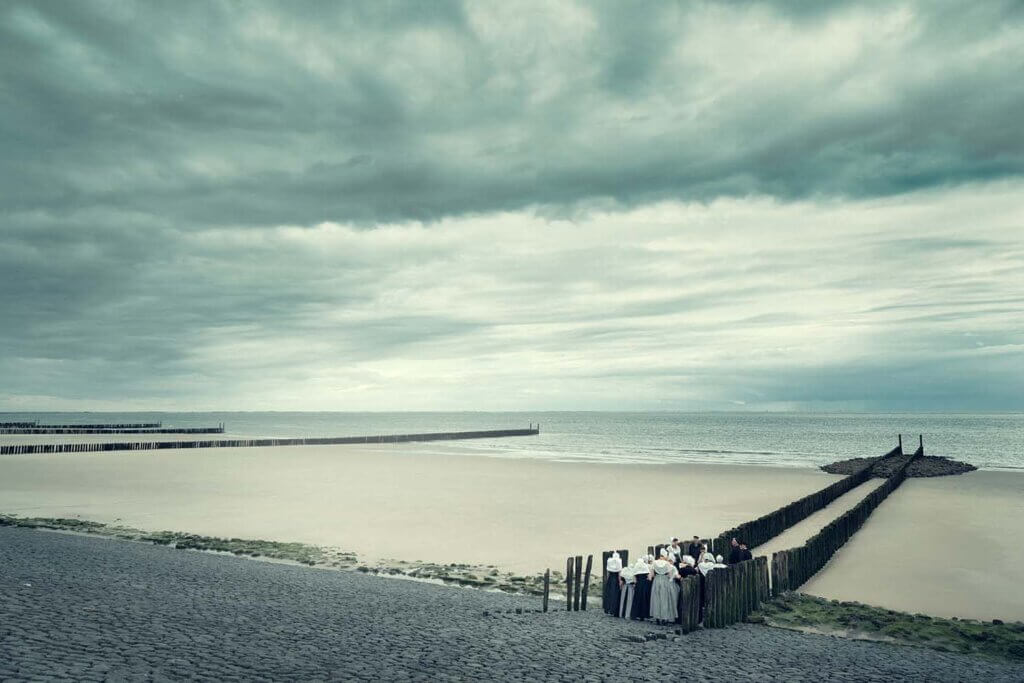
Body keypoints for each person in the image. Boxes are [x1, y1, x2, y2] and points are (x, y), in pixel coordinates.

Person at [648, 549, 679, 624]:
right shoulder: (667, 563)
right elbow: (669, 574)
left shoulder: (654, 563)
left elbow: (651, 575)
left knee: (656, 599)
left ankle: (657, 618)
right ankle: (664, 618)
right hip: (665, 580)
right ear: (665, 556)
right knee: (664, 599)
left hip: (657, 580)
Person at [629, 556, 651, 620]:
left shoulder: (636, 566)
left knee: (637, 599)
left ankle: (636, 614)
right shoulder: (645, 566)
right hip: (645, 584)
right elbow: (649, 577)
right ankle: (644, 615)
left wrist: (635, 583)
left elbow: (634, 577)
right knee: (644, 599)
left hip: (638, 584)